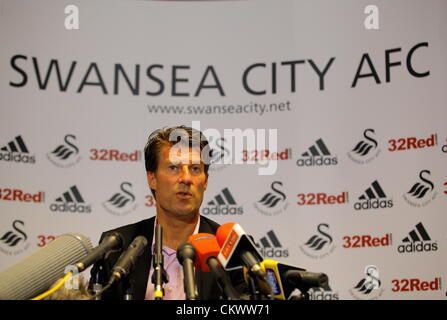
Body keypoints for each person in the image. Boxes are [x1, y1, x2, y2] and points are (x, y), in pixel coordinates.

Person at [89, 126, 243, 300]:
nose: (186, 178)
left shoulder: (231, 248)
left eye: (195, 169)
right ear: (152, 179)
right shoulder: (118, 246)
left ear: (205, 181)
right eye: (174, 168)